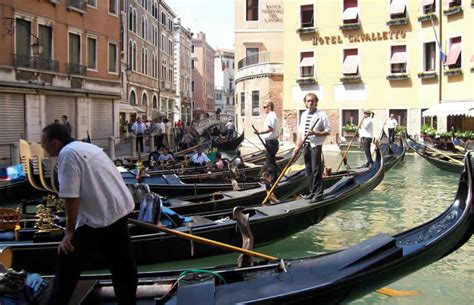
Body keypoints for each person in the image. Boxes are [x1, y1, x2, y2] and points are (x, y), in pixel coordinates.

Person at [40, 124, 137, 305]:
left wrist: (69, 233)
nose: (43, 147)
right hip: (119, 210)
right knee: (122, 265)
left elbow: (71, 197)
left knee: (67, 257)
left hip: (100, 217)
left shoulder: (67, 155)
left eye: (44, 143)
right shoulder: (87, 147)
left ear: (55, 142)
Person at [293, 93, 331, 203]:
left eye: (312, 101)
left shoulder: (321, 115)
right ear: (305, 102)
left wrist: (316, 133)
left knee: (316, 170)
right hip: (306, 145)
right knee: (308, 169)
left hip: (315, 146)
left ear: (316, 102)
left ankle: (318, 194)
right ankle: (312, 191)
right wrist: (297, 147)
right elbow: (300, 133)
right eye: (308, 101)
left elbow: (328, 131)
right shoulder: (303, 114)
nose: (310, 103)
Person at [254, 101, 279, 180]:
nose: (264, 109)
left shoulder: (271, 115)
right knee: (271, 162)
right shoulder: (273, 115)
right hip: (272, 142)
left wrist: (260, 132)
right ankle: (274, 179)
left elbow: (270, 128)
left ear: (269, 107)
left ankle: (272, 181)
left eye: (265, 107)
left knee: (269, 164)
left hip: (271, 143)